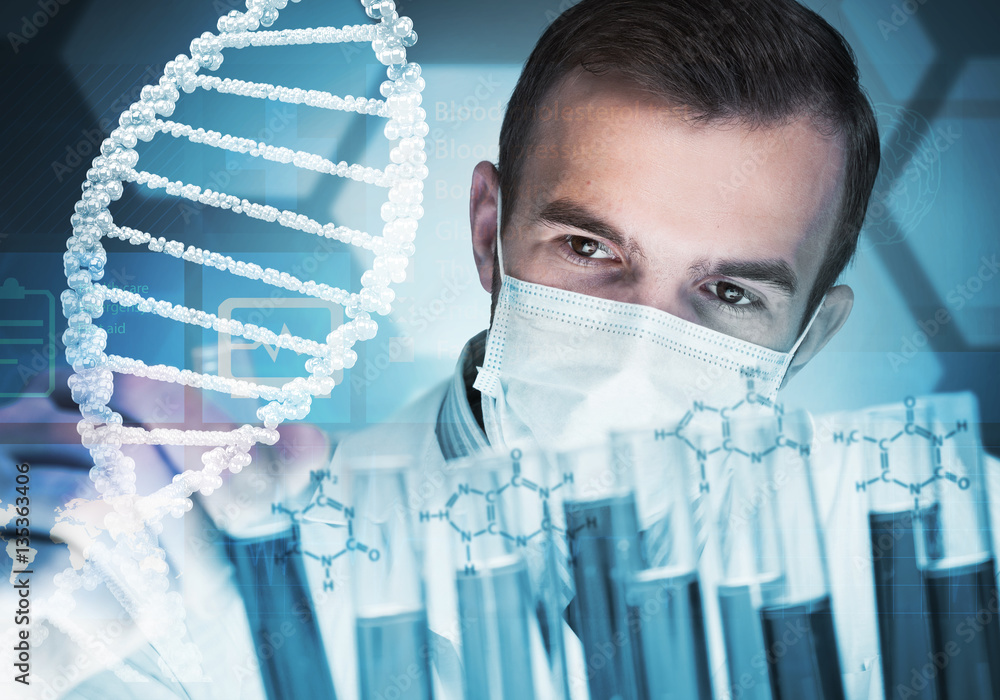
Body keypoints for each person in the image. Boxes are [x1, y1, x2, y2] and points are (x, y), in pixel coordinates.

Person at [318, 0, 893, 698]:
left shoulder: (924, 550)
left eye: (733, 292)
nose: (636, 351)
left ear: (807, 341)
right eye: (588, 249)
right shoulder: (254, 580)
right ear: (487, 233)